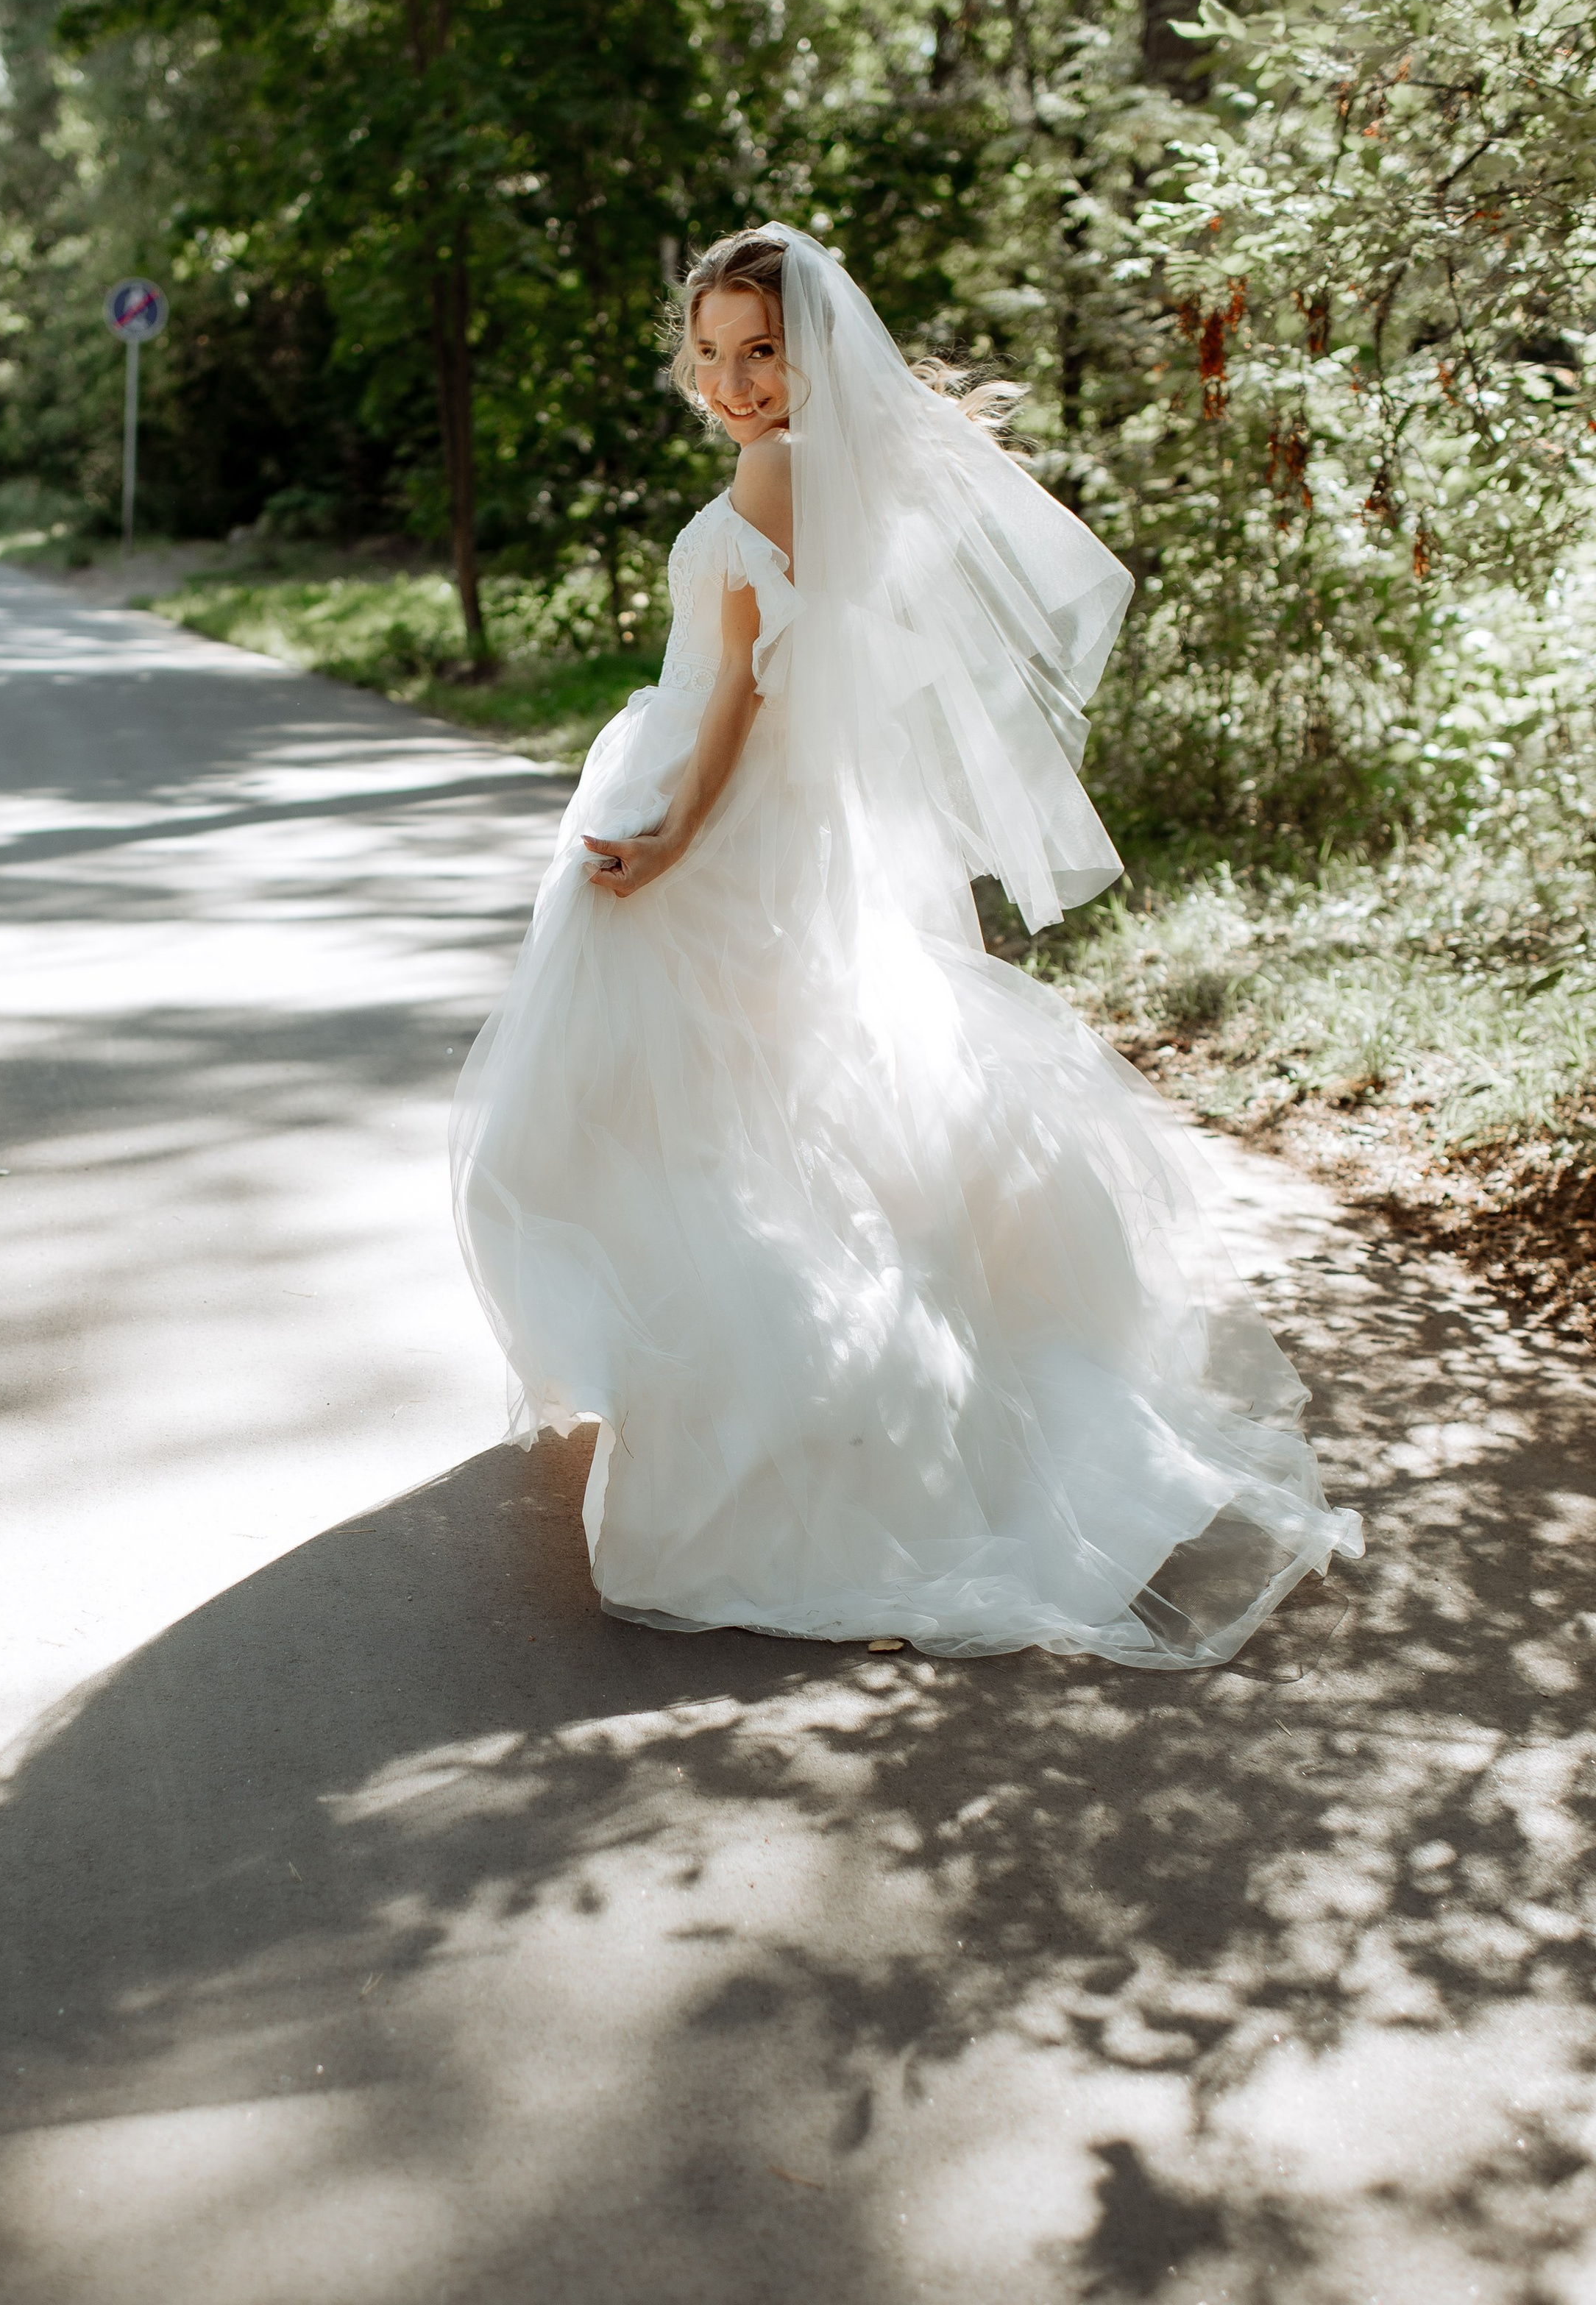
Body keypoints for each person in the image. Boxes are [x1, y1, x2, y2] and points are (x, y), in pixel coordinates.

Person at [450, 224, 1361, 1666]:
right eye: (713, 353)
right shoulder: (836, 470)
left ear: (806, 354)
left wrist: (676, 837)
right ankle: (798, 1372)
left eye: (761, 351)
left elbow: (750, 685)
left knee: (666, 1122)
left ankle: (767, 1402)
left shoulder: (779, 472)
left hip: (719, 821)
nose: (735, 381)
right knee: (760, 1112)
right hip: (774, 821)